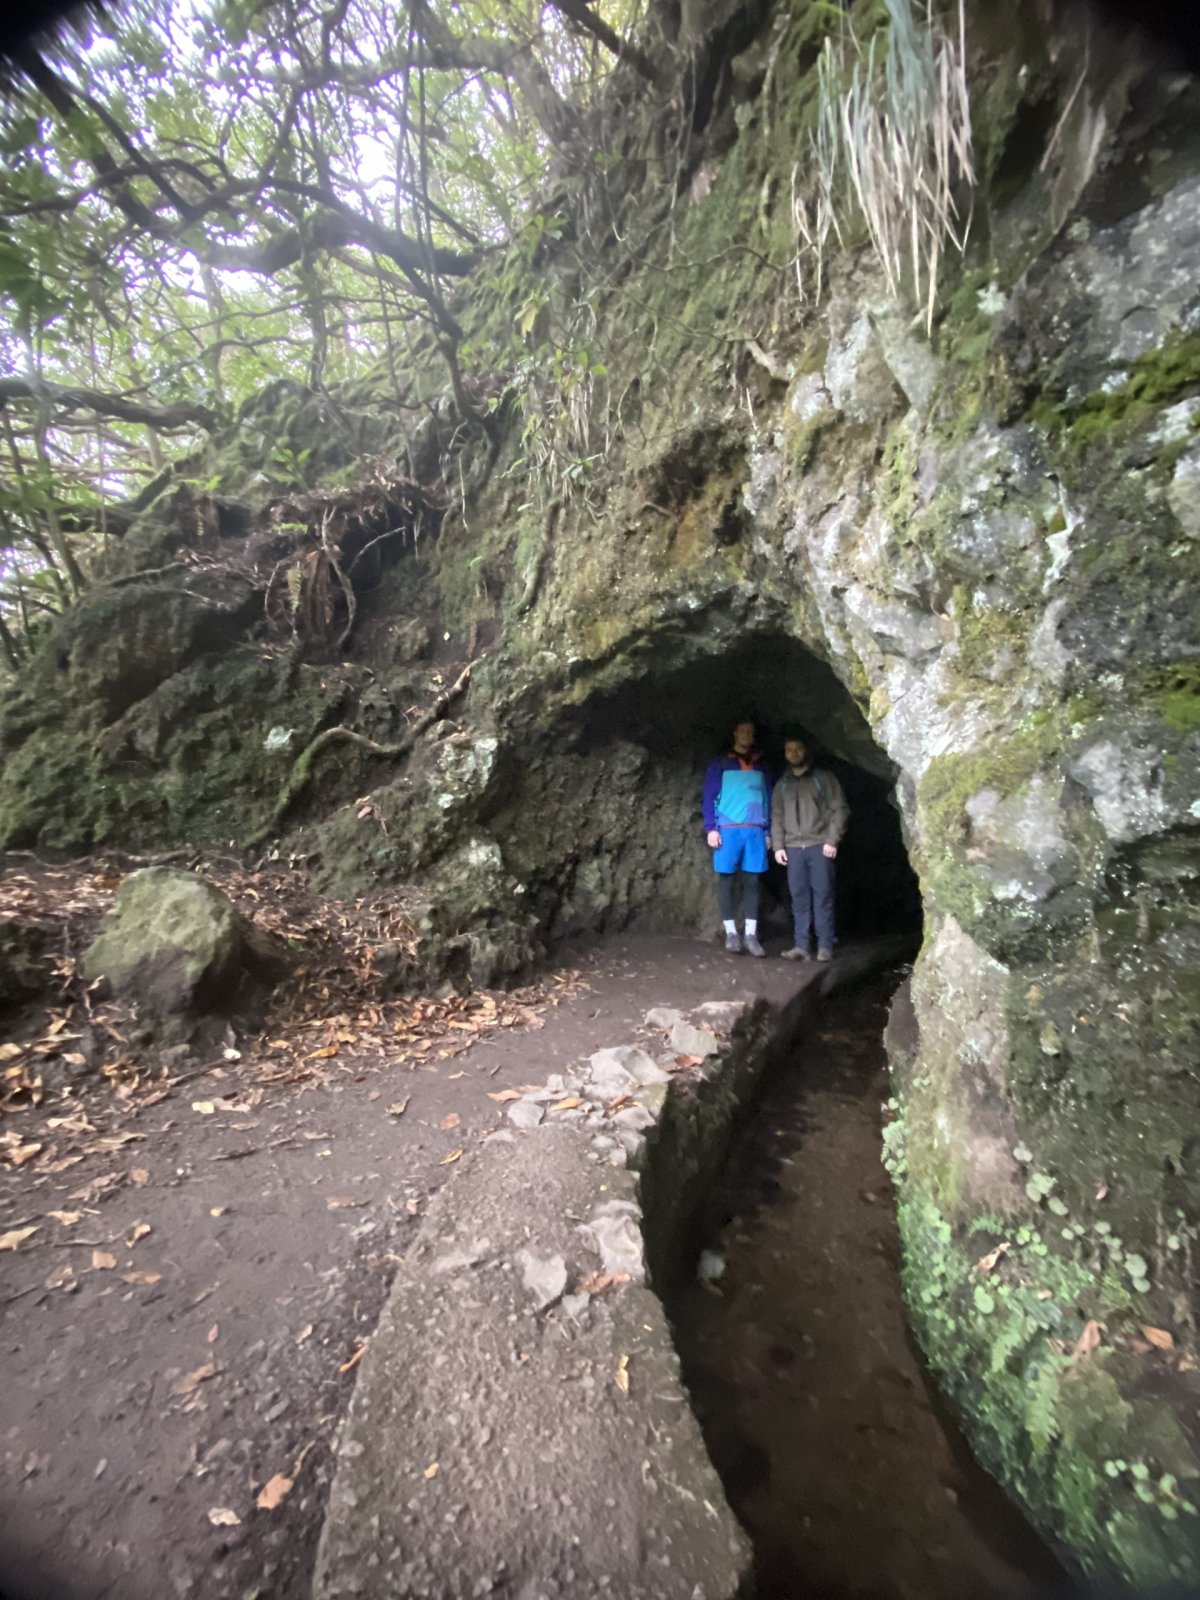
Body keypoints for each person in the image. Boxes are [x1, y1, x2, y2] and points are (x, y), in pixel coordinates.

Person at [771, 735, 849, 962]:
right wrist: (778, 846)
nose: (794, 753)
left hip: (819, 846)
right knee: (798, 897)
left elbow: (840, 809)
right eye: (789, 749)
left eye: (798, 748)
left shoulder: (823, 778)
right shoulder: (782, 784)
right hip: (793, 847)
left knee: (823, 895)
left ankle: (825, 946)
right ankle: (801, 946)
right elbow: (777, 816)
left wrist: (831, 840)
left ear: (806, 750)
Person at [703, 720, 772, 957]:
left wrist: (768, 831)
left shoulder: (762, 766)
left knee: (752, 882)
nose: (746, 735)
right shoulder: (720, 764)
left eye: (750, 732)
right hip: (728, 829)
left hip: (755, 830)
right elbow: (710, 796)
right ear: (735, 734)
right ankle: (731, 933)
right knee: (727, 880)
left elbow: (768, 798)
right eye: (743, 731)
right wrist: (711, 828)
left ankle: (751, 935)